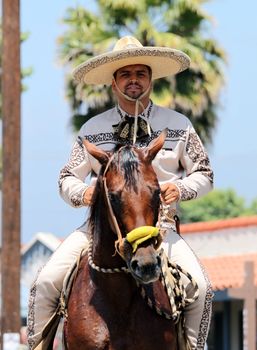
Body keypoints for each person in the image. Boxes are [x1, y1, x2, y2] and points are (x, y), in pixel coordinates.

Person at [27, 36, 214, 350]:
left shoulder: (179, 125)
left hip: (160, 230)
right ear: (113, 82)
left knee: (204, 289)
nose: (134, 80)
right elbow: (65, 179)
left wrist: (178, 188)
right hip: (98, 231)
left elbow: (205, 175)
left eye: (140, 73)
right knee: (44, 282)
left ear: (150, 79)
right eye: (126, 75)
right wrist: (85, 195)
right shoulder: (91, 129)